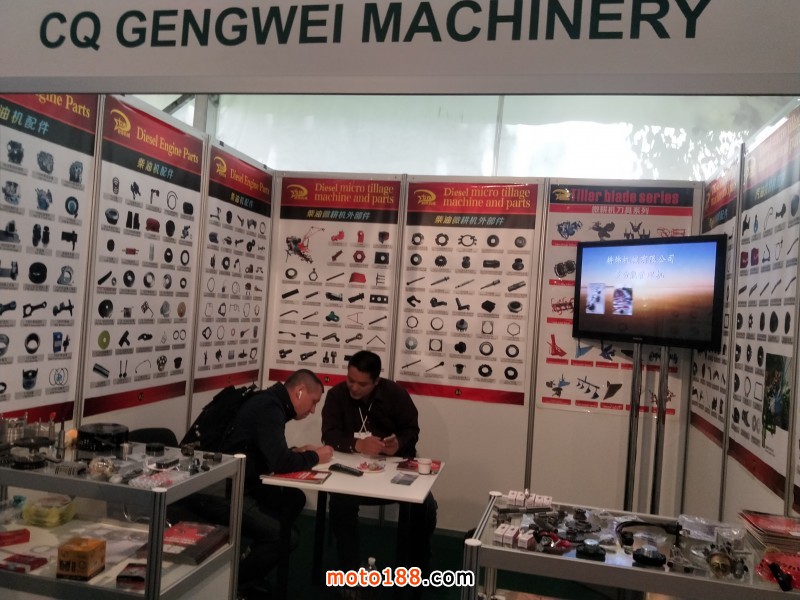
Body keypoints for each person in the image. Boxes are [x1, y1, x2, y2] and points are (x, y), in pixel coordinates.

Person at [191, 369, 333, 599]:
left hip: (236, 481)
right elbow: (280, 462)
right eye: (314, 401)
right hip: (220, 491)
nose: (313, 410)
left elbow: (264, 451)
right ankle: (233, 584)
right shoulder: (270, 408)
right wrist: (316, 457)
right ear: (300, 391)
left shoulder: (269, 402)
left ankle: (254, 558)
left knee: (294, 499)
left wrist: (296, 452)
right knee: (285, 537)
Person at [321, 351, 437, 578]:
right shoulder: (336, 395)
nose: (354, 388)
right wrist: (357, 444)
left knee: (426, 505)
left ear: (376, 381)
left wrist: (399, 443)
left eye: (362, 384)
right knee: (340, 504)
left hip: (391, 468)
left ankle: (418, 565)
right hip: (351, 471)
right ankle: (350, 572)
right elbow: (329, 434)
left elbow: (411, 430)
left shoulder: (395, 394)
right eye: (350, 380)